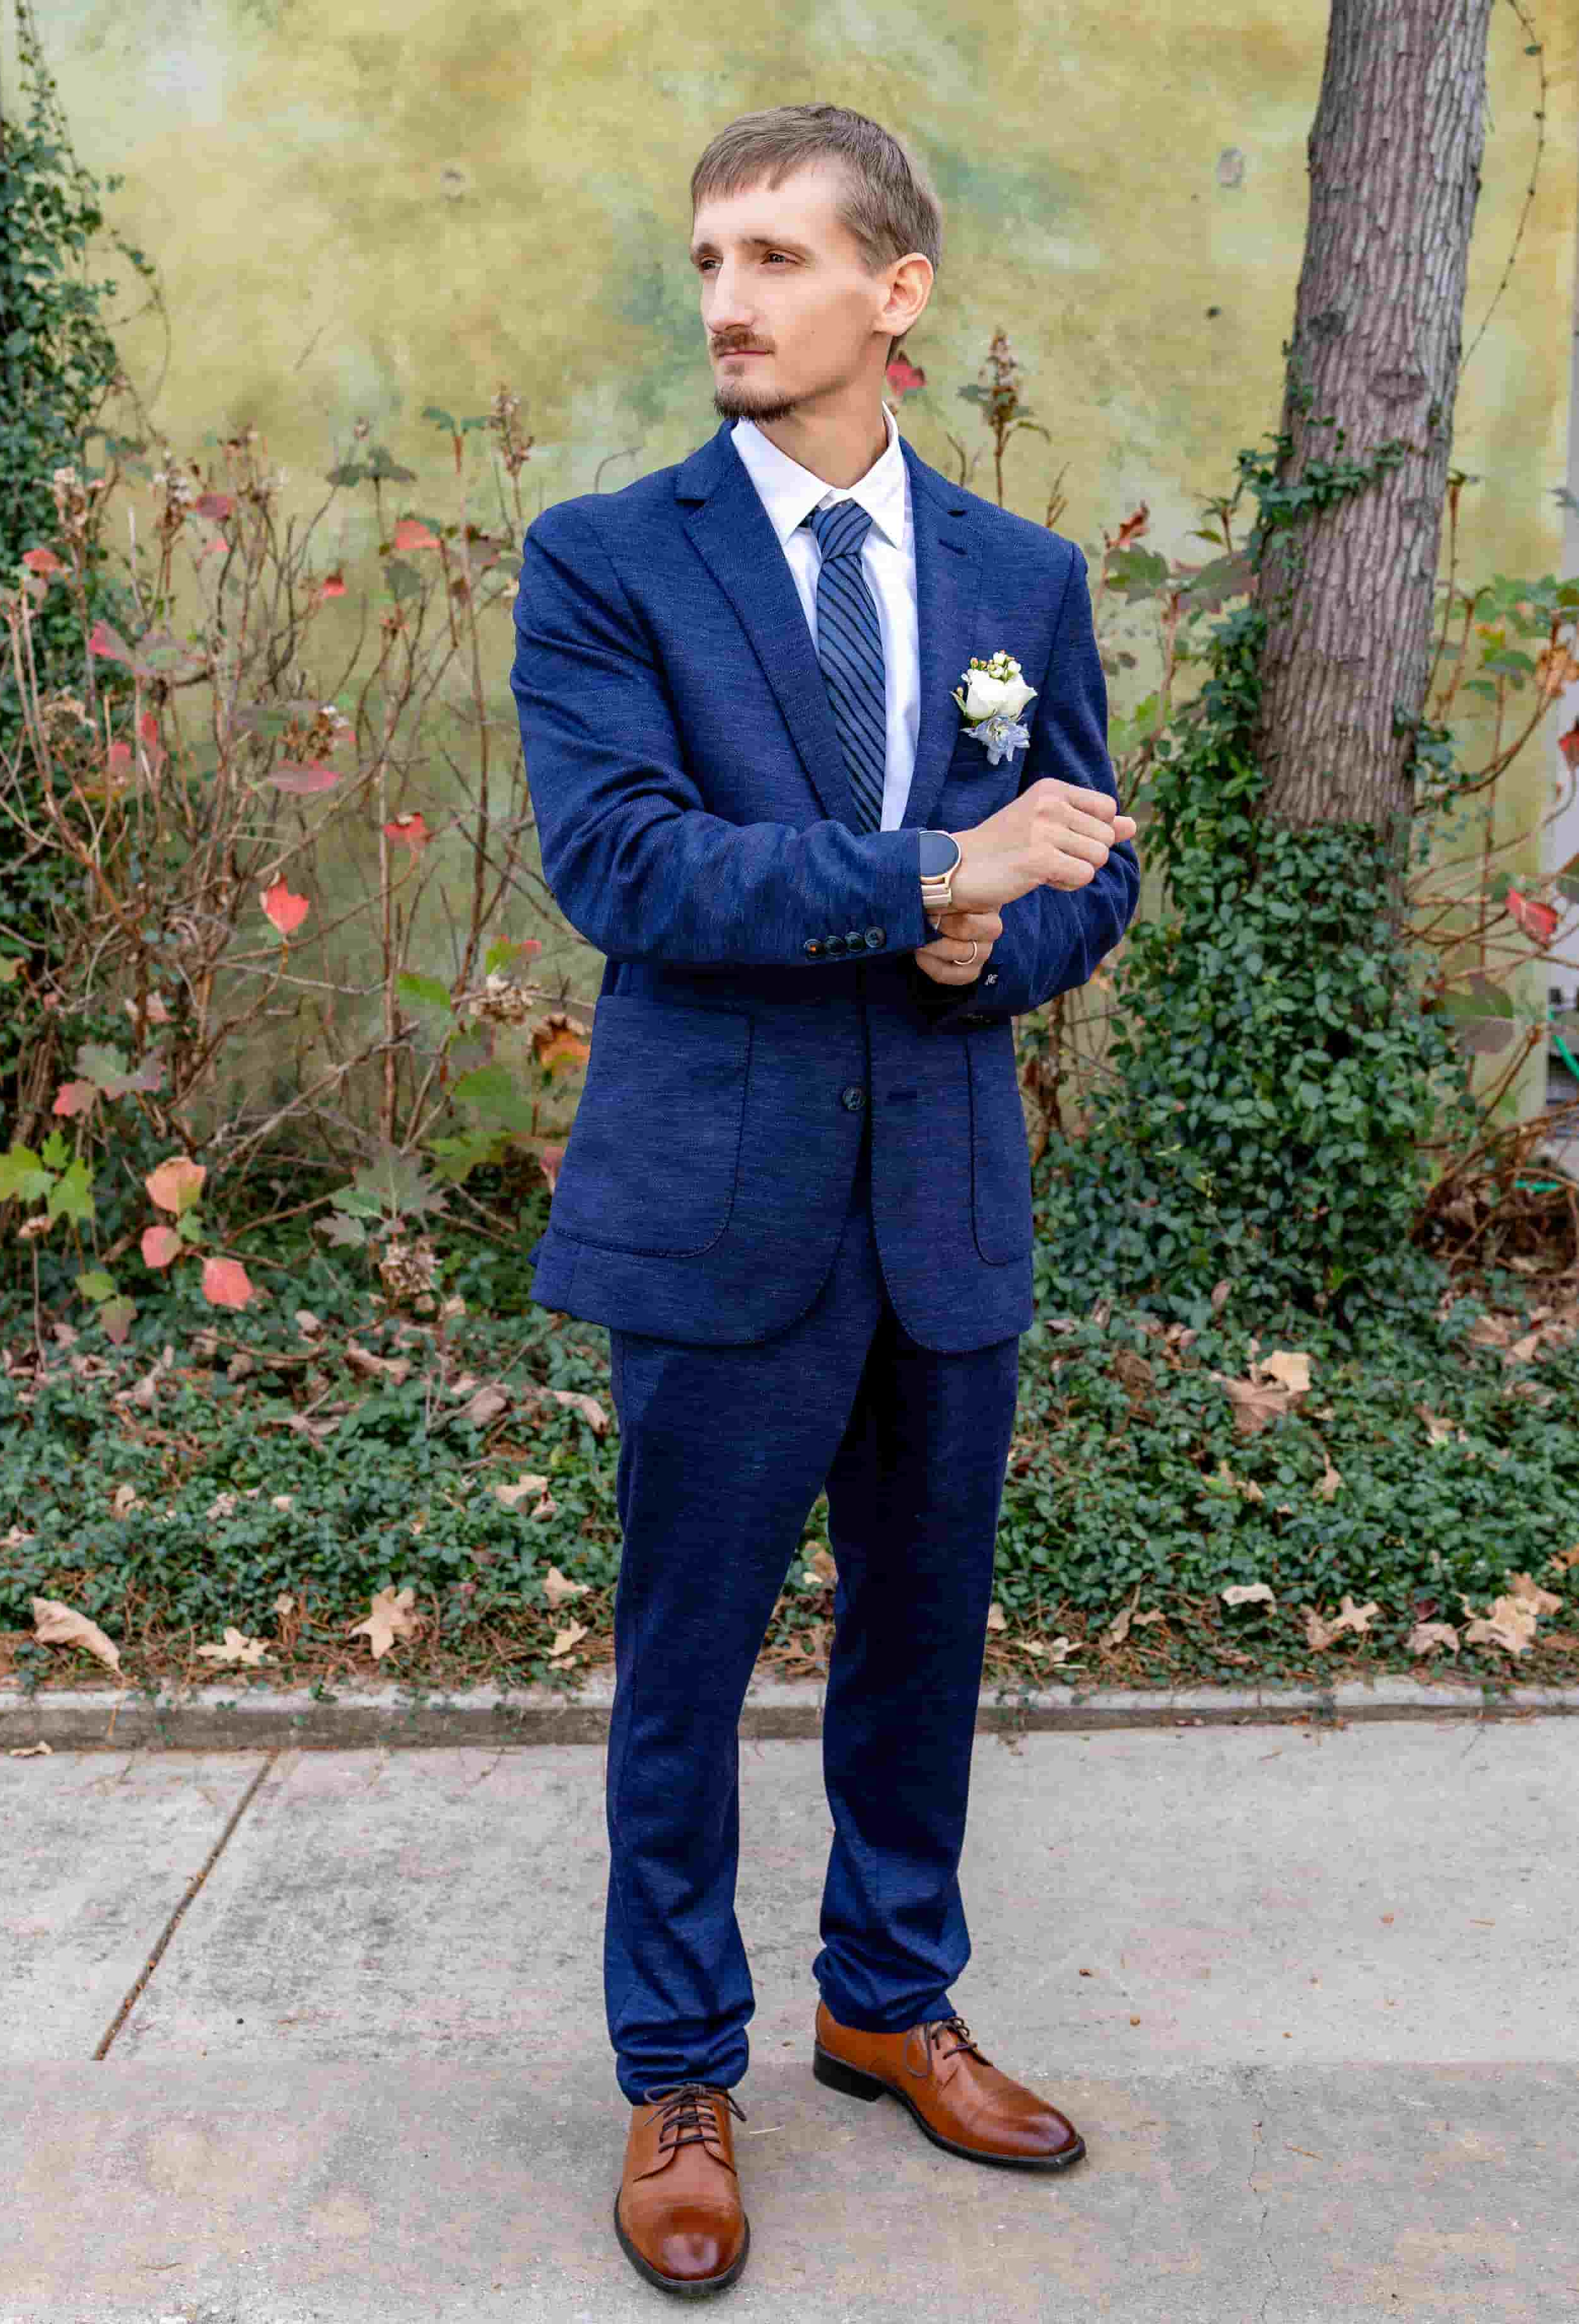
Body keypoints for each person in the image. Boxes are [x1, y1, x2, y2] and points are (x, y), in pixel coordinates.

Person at [509, 100, 1140, 2299]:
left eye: (775, 259)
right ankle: (679, 2068)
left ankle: (885, 1999)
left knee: (920, 1644)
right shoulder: (606, 560)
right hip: (716, 1208)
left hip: (945, 1198)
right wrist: (925, 877)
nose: (726, 304)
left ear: (897, 294)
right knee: (684, 1659)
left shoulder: (1016, 580)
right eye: (707, 263)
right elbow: (629, 866)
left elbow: (1091, 854)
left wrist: (1001, 936)